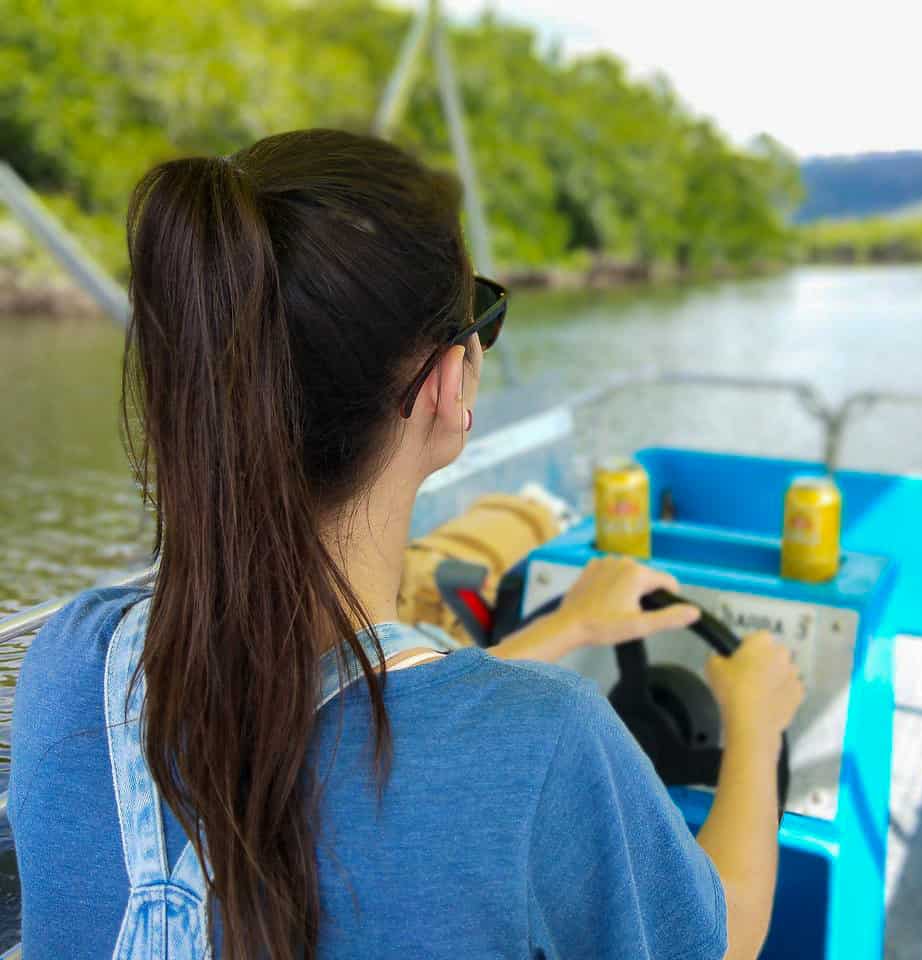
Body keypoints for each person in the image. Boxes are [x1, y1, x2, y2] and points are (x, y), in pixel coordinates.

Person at [9, 129, 804, 960]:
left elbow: (327, 716)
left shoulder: (72, 661)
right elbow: (721, 938)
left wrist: (569, 629)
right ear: (447, 383)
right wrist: (756, 723)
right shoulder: (550, 744)